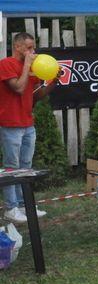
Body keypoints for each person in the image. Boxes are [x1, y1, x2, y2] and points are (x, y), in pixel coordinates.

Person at [1, 32, 57, 223]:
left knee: (26, 167)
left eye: (34, 47)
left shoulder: (32, 68)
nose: (33, 51)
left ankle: (25, 206)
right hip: (10, 124)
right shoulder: (6, 64)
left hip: (27, 123)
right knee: (12, 167)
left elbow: (35, 96)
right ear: (17, 47)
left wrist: (54, 82)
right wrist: (26, 66)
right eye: (29, 48)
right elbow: (18, 88)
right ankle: (11, 208)